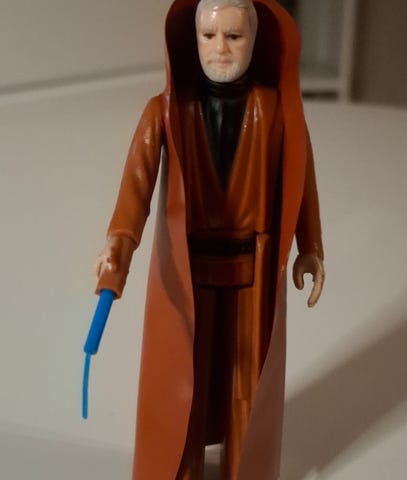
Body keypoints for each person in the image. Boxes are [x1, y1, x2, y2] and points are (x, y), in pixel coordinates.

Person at [94, 0, 324, 478]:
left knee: (247, 378)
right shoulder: (164, 112)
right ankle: (184, 467)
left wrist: (311, 247)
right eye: (209, 36)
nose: (221, 48)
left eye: (234, 36)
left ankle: (246, 466)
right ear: (192, 40)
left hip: (252, 273)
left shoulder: (275, 111)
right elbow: (135, 189)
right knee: (187, 379)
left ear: (254, 41)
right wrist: (118, 248)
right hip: (189, 273)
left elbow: (301, 177)